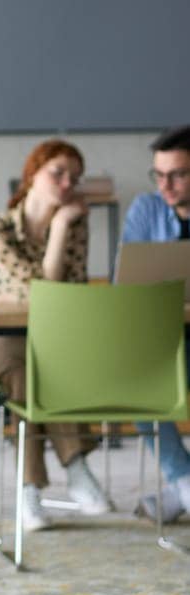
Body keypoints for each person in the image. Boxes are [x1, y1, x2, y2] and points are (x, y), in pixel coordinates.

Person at [0, 138, 113, 534]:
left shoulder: (75, 229)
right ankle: (75, 466)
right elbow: (46, 291)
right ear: (32, 176)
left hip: (33, 354)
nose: (66, 183)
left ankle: (29, 493)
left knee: (28, 372)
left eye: (74, 178)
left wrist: (61, 228)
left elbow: (63, 298)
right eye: (57, 172)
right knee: (33, 364)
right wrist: (58, 228)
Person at [122, 124, 190, 523]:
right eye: (159, 174)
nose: (165, 184)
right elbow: (126, 284)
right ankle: (184, 479)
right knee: (136, 384)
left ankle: (181, 490)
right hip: (162, 340)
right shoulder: (147, 210)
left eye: (178, 174)